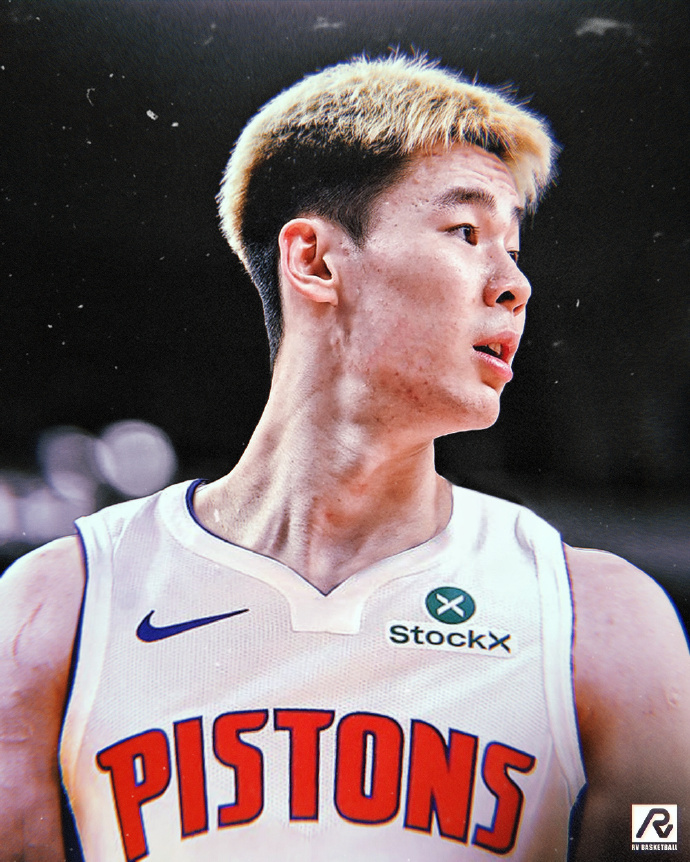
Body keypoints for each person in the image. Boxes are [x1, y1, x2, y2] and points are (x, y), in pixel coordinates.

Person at [0, 54, 688, 862]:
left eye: (514, 246)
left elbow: (661, 840)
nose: (515, 285)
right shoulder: (58, 607)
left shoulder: (604, 622)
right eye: (468, 233)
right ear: (316, 261)